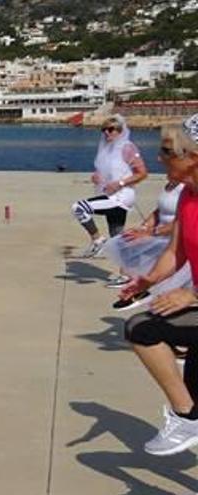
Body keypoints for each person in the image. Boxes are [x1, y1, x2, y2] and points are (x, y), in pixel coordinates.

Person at [120, 113, 198, 456]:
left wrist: (190, 294)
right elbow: (175, 251)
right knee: (193, 393)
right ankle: (190, 416)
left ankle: (186, 417)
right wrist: (145, 281)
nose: (159, 158)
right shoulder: (186, 196)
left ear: (192, 156)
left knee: (143, 329)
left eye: (167, 151)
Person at [71, 115, 148, 258]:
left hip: (121, 197)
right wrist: (97, 178)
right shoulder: (107, 150)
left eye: (111, 129)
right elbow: (110, 173)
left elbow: (142, 173)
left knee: (79, 208)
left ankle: (98, 240)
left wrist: (120, 183)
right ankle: (127, 274)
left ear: (120, 131)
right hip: (111, 196)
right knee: (117, 238)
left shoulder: (127, 147)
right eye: (104, 130)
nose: (107, 132)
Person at [103, 179, 187, 293]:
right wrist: (143, 227)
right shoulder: (170, 185)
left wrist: (151, 232)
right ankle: (129, 276)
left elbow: (182, 222)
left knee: (136, 243)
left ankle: (136, 278)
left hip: (172, 237)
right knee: (127, 238)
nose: (159, 161)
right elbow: (158, 211)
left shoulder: (185, 188)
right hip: (157, 232)